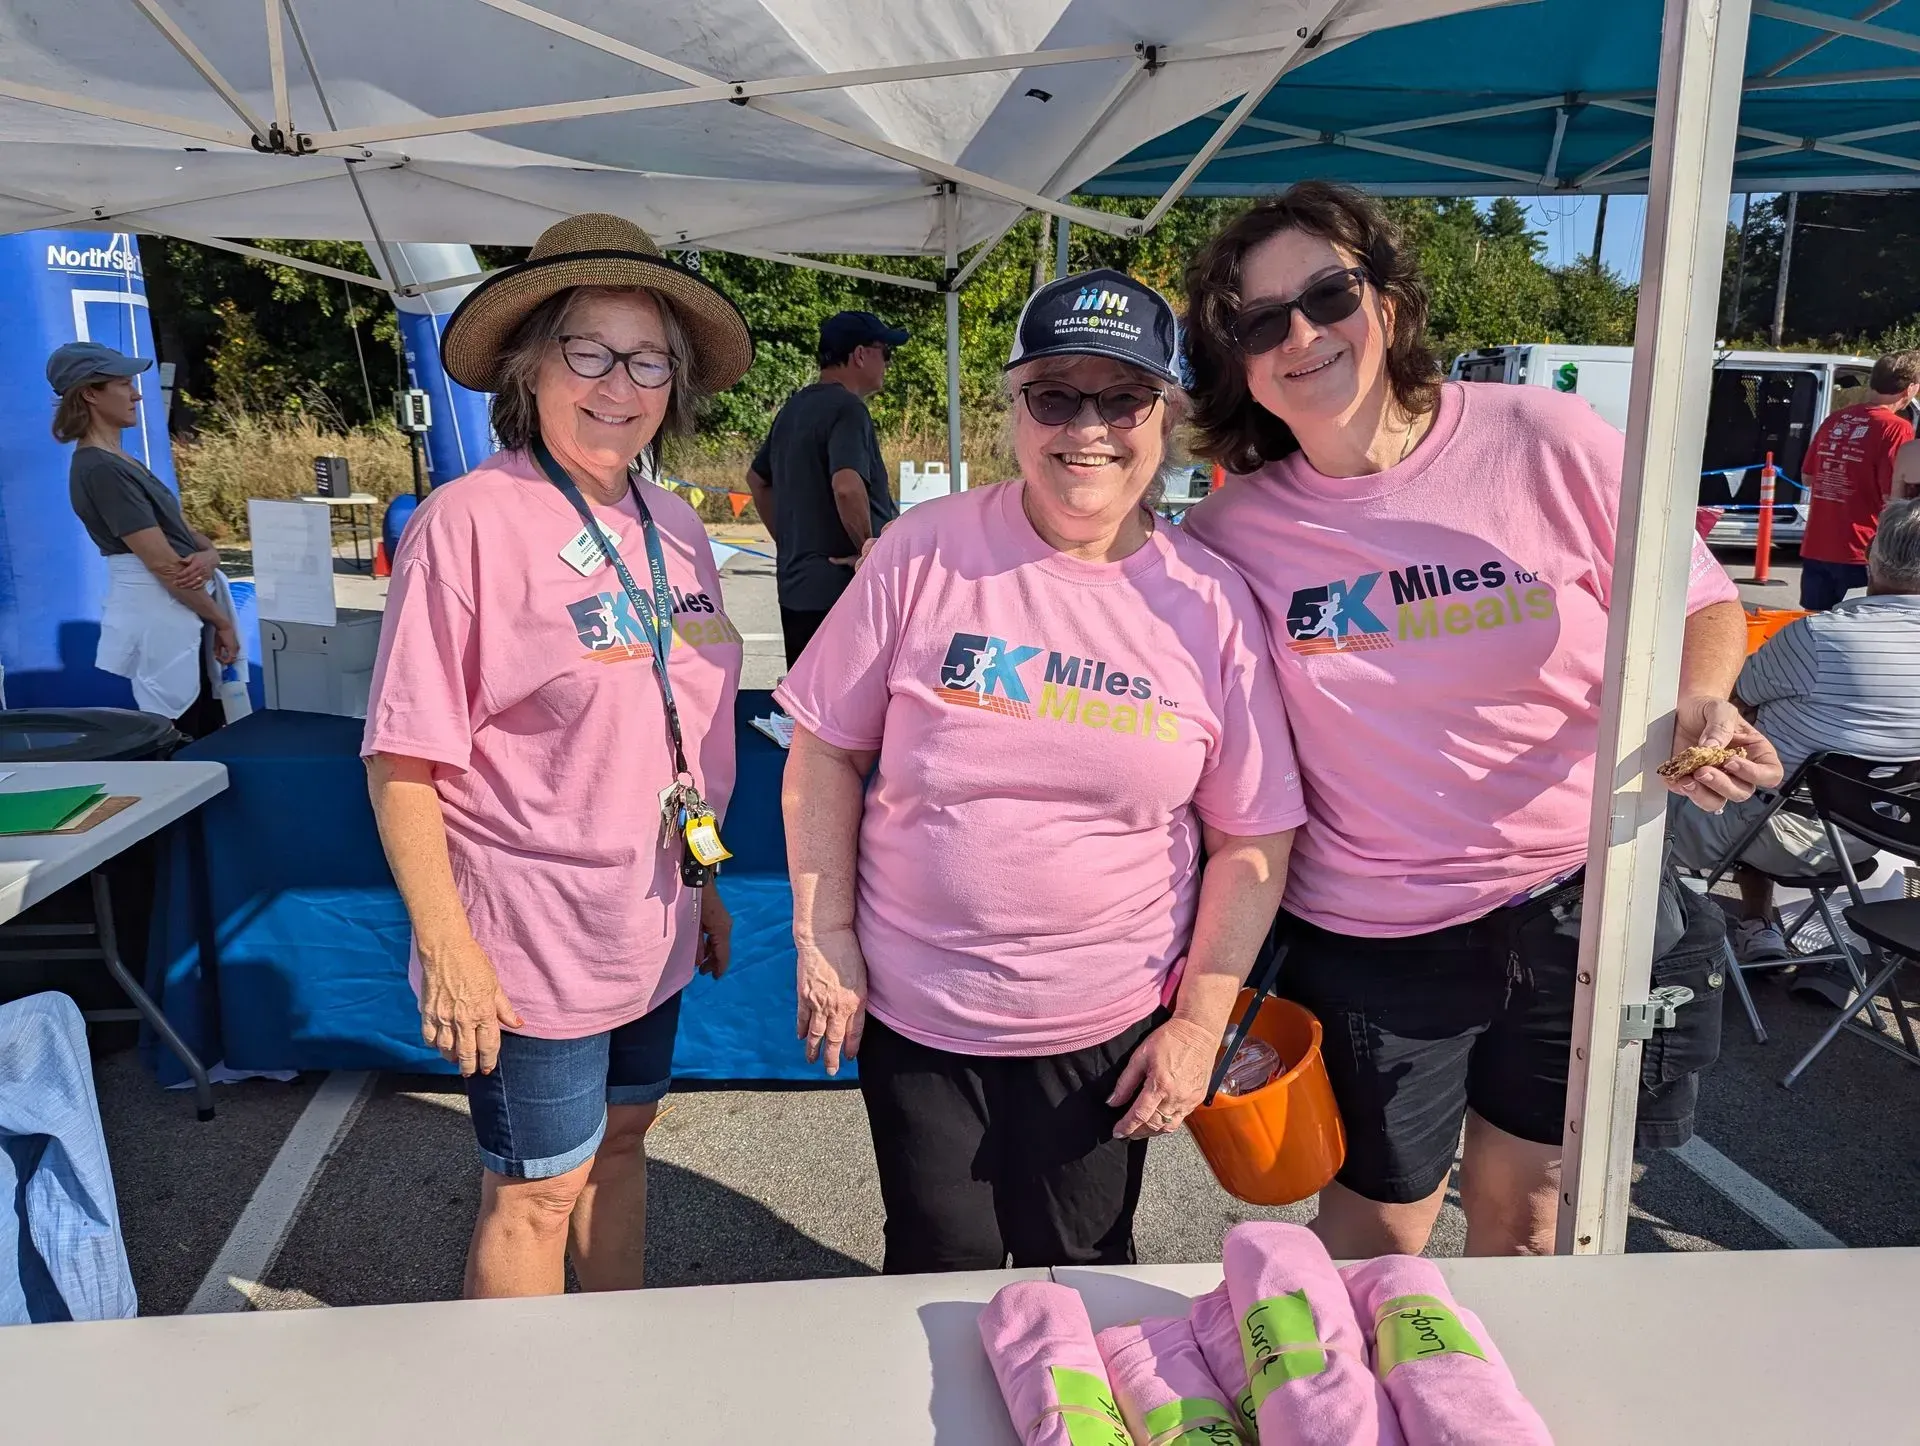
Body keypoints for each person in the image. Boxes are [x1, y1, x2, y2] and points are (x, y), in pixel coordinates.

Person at [1178, 183, 1784, 1259]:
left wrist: (1703, 695)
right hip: (1373, 934)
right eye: (1261, 322)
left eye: (1329, 296)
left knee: (1532, 1218)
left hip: (1574, 903)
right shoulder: (1230, 530)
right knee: (1377, 1229)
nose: (1303, 336)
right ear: (1237, 362)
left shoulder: (1544, 438)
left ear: (1394, 303)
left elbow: (1699, 599)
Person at [777, 270, 1307, 1272]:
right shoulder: (925, 551)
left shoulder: (1210, 601)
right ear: (1012, 409)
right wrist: (826, 934)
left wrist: (1198, 1026)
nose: (1089, 429)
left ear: (1169, 414)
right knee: (936, 1272)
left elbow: (1253, 836)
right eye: (1056, 396)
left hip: (1105, 1029)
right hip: (923, 1023)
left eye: (1124, 398)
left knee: (1086, 1276)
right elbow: (823, 753)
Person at [362, 213, 752, 1299]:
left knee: (626, 1140)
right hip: (530, 935)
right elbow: (402, 760)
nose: (617, 385)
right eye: (589, 351)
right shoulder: (468, 523)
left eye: (648, 360)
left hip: (653, 915)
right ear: (531, 365)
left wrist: (706, 886)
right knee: (535, 1191)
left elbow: (681, 725)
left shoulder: (677, 524)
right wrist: (448, 949)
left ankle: (614, 1365)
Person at [1669, 497, 1920, 993]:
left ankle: (1663, 941)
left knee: (1719, 772)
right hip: (1875, 837)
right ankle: (1763, 927)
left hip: (1767, 831)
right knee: (1782, 767)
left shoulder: (1818, 637)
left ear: (1870, 556)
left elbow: (1732, 698)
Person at [50, 341, 236, 737]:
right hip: (163, 616)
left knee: (201, 720)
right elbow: (165, 565)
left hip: (180, 610)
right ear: (90, 393)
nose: (136, 394)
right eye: (123, 384)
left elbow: (180, 532)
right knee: (182, 729)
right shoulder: (100, 468)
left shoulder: (119, 460)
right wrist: (221, 622)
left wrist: (210, 554)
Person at [745, 310, 905, 666]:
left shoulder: (794, 408)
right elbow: (847, 487)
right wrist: (869, 551)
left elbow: (757, 480)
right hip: (842, 593)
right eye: (886, 353)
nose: (888, 364)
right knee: (849, 712)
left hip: (797, 590)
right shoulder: (848, 409)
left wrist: (791, 540)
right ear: (860, 354)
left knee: (803, 712)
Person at [1796, 351, 1920, 611]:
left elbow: (1808, 477)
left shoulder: (1836, 419)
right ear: (1909, 388)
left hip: (1818, 544)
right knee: (1861, 629)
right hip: (1862, 549)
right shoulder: (1896, 428)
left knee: (1815, 626)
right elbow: (1894, 496)